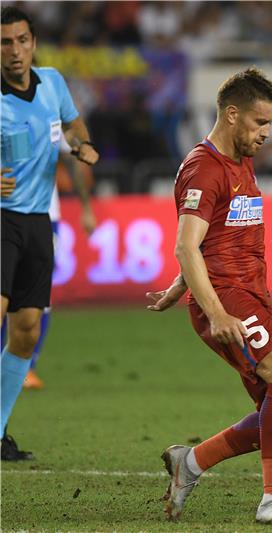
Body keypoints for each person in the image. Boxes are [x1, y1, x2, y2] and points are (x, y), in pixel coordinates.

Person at [146, 68, 272, 526]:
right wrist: (213, 310)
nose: (266, 134)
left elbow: (211, 240)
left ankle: (191, 462)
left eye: (270, 124)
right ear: (232, 114)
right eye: (260, 123)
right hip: (228, 299)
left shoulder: (240, 158)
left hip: (250, 293)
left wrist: (179, 287)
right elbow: (185, 244)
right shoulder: (205, 168)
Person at [1, 6, 99, 461]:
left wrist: (82, 144)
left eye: (22, 40)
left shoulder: (53, 82)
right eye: (5, 43)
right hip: (0, 220)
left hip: (39, 222)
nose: (15, 51)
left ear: (33, 43)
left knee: (25, 330)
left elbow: (74, 122)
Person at [1, 142, 97, 391]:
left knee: (36, 299)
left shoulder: (53, 106)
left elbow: (72, 157)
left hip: (44, 216)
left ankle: (26, 366)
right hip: (6, 214)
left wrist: (86, 208)